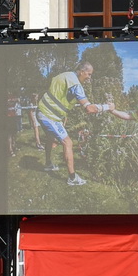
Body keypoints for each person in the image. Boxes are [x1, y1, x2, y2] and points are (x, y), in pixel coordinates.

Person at [34, 59, 99, 187]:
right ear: (82, 72)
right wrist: (107, 107)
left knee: (50, 138)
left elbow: (59, 96)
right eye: (89, 74)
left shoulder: (64, 75)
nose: (89, 78)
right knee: (68, 142)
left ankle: (48, 164)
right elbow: (90, 108)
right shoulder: (76, 85)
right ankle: (72, 177)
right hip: (49, 115)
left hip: (43, 111)